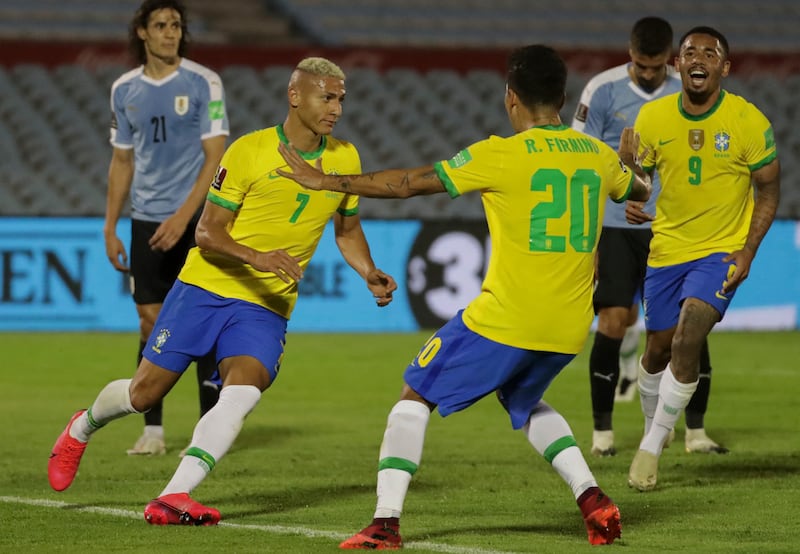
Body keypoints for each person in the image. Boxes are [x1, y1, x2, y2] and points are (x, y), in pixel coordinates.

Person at [278, 44, 652, 548]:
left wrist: (324, 180)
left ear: (510, 99)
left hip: (507, 318)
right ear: (563, 96)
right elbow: (639, 190)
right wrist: (632, 166)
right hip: (567, 327)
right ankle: (593, 501)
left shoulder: (498, 154)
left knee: (413, 396)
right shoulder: (599, 156)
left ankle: (385, 524)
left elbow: (408, 183)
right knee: (523, 398)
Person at [49, 56, 398, 525]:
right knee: (144, 395)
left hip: (266, 303)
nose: (335, 107)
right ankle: (82, 426)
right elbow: (207, 233)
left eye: (340, 98)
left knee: (245, 387)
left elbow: (347, 228)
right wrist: (261, 257)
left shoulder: (346, 158)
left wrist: (368, 270)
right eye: (326, 96)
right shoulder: (249, 152)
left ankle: (173, 495)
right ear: (295, 96)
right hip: (206, 287)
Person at [626, 26, 780, 491]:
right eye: (689, 51)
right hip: (666, 250)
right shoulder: (651, 119)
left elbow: (768, 188)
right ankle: (659, 423)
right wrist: (632, 188)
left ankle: (649, 448)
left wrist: (748, 249)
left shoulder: (748, 122)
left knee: (688, 334)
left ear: (724, 67)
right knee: (655, 348)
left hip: (719, 254)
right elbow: (640, 181)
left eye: (709, 53)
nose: (698, 58)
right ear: (677, 64)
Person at [573, 16, 725, 457]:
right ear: (631, 54)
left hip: (675, 229)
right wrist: (595, 230)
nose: (648, 74)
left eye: (657, 67)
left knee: (692, 324)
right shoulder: (602, 90)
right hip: (618, 228)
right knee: (614, 321)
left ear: (670, 61)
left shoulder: (690, 88)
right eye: (641, 65)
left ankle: (695, 432)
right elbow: (584, 161)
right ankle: (603, 433)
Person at [104, 0, 227, 456]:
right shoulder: (124, 89)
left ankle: (207, 432)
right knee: (149, 322)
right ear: (142, 33)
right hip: (146, 220)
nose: (169, 33)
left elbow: (216, 155)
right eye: (160, 25)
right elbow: (121, 160)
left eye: (176, 25)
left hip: (197, 221)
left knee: (205, 321)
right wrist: (110, 225)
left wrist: (183, 217)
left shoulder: (203, 82)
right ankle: (153, 430)